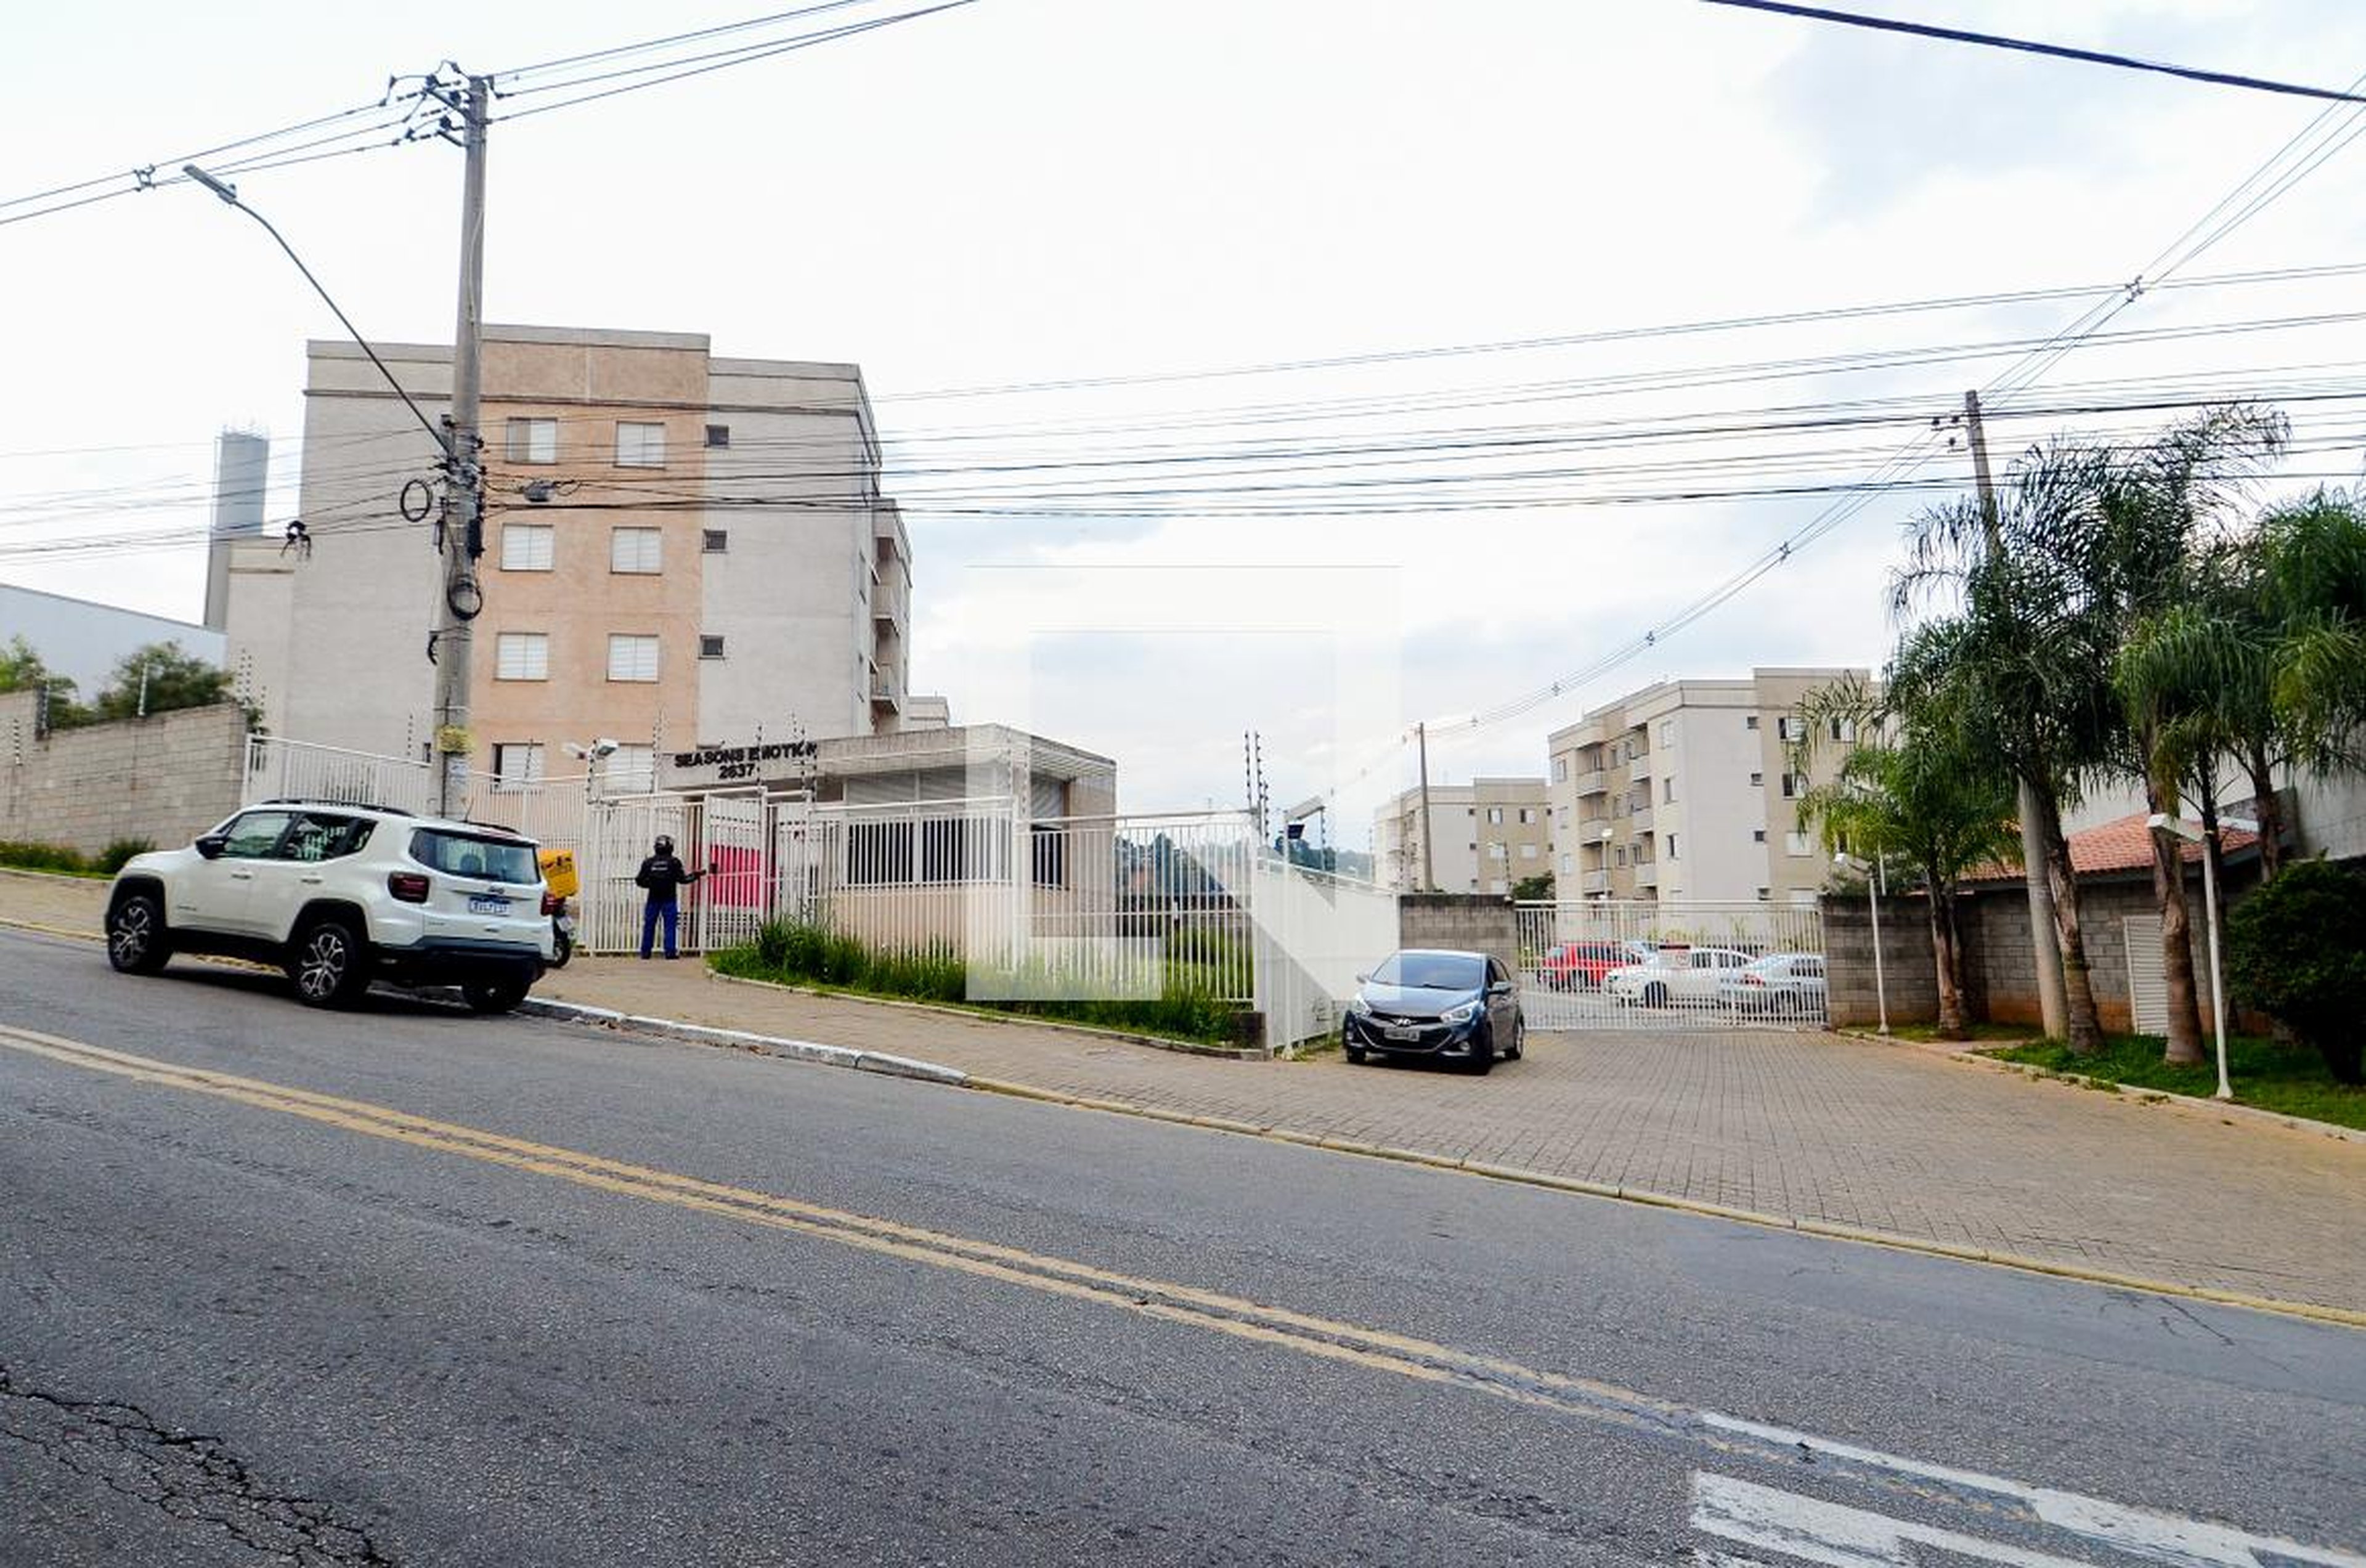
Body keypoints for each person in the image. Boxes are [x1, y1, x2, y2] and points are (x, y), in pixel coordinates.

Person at [634, 834, 708, 959]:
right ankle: (670, 953)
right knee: (670, 926)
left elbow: (639, 881)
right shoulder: (674, 862)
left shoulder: (648, 862)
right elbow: (683, 880)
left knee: (649, 926)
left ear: (656, 847)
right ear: (670, 847)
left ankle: (645, 953)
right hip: (669, 899)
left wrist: (652, 883)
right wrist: (696, 875)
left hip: (653, 899)